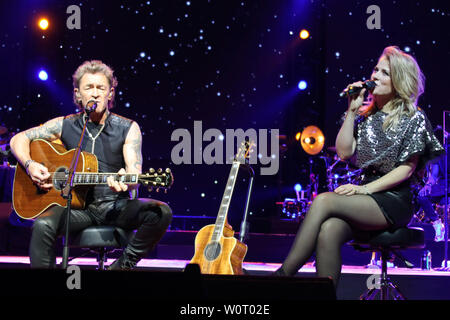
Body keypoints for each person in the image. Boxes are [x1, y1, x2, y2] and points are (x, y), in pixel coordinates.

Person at [273, 46, 444, 287]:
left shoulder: (413, 117)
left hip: (394, 199)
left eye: (385, 72)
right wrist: (352, 111)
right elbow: (343, 153)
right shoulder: (365, 116)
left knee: (324, 200)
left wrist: (364, 190)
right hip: (367, 197)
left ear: (398, 81)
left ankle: (281, 278)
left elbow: (406, 169)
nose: (375, 76)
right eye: (376, 69)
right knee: (329, 229)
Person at [10, 60, 173, 269]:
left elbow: (134, 172)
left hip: (115, 206)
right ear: (78, 94)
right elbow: (18, 139)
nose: (95, 93)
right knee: (42, 225)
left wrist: (127, 181)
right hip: (77, 209)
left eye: (101, 88)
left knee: (161, 212)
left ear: (110, 93)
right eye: (89, 88)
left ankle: (121, 266)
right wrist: (30, 164)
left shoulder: (128, 128)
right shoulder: (64, 124)